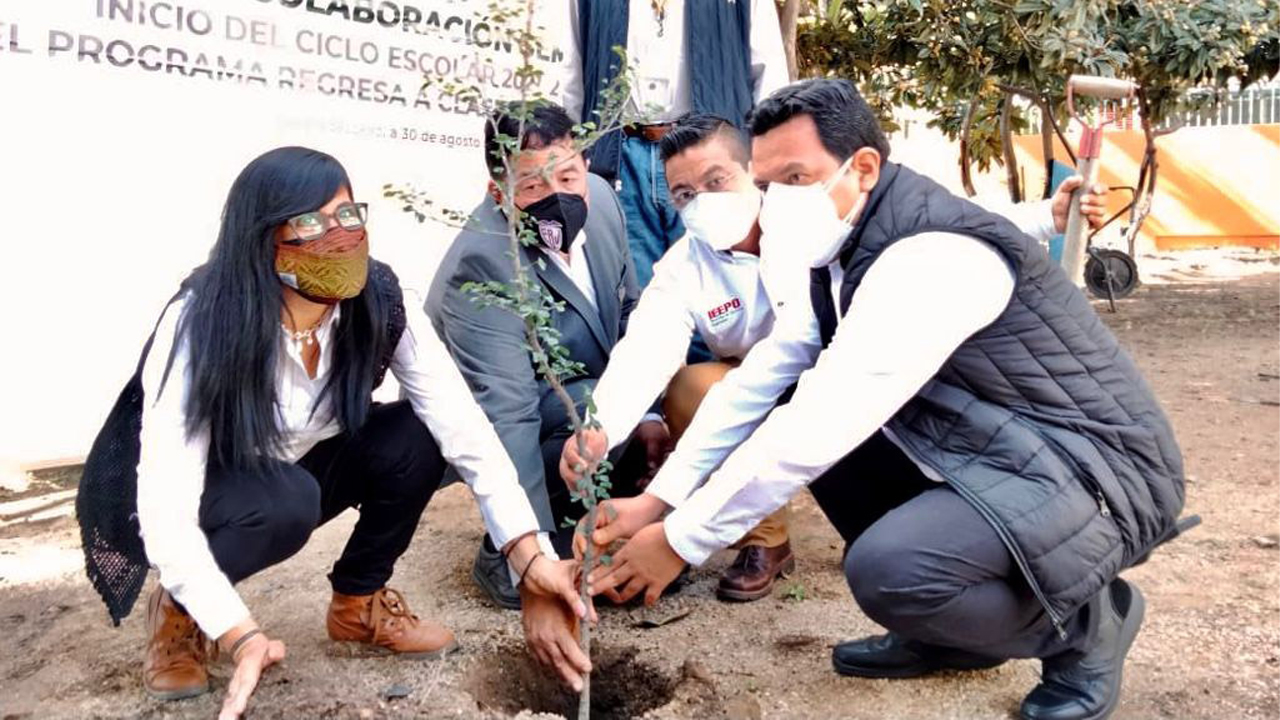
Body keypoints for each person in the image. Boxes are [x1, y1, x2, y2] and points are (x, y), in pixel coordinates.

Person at [582, 80, 1190, 720]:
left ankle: (1088, 629)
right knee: (807, 417)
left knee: (889, 572)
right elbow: (766, 375)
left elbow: (820, 420)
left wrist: (681, 539)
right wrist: (660, 498)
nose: (778, 203)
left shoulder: (927, 254)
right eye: (769, 183)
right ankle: (949, 634)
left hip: (1094, 469)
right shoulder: (836, 248)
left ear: (863, 167)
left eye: (796, 176)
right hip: (996, 448)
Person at [78, 147, 591, 720]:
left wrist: (530, 557)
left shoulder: (380, 299)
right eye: (310, 222)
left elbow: (464, 426)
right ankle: (181, 610)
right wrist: (240, 633)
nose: (338, 236)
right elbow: (167, 498)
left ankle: (358, 602)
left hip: (305, 461)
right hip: (221, 485)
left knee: (419, 435)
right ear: (262, 237)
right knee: (285, 504)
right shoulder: (202, 319)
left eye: (348, 215)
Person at [561, 111, 1113, 603]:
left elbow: (946, 221)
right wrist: (602, 431)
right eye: (684, 194)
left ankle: (914, 541)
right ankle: (767, 541)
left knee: (857, 480)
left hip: (848, 382)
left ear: (750, 175)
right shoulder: (686, 266)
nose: (701, 202)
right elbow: (650, 349)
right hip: (776, 382)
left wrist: (1047, 216)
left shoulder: (811, 226)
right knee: (701, 389)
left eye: (715, 181)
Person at [425, 103, 663, 622]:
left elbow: (629, 311)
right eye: (531, 187)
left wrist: (647, 415)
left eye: (568, 174)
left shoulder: (601, 199)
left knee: (629, 403)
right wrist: (532, 563)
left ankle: (591, 515)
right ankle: (503, 552)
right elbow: (507, 413)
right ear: (499, 193)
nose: (558, 195)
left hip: (583, 389)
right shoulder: (483, 263)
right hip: (502, 420)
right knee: (584, 405)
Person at [560, 0, 788, 290]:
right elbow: (572, 75)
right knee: (635, 288)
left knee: (721, 284)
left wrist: (765, 164)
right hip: (622, 157)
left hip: (710, 158)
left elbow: (769, 75)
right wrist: (571, 157)